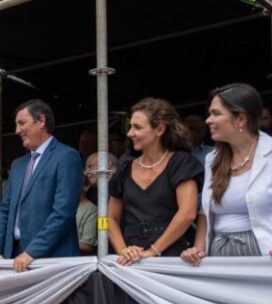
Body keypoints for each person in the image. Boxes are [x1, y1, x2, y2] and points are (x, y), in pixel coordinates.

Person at [0, 99, 83, 273]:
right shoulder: (18, 164)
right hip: (16, 256)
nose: (17, 131)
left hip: (52, 259)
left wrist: (32, 252)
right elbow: (5, 209)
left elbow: (63, 212)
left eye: (22, 123)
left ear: (41, 121)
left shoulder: (67, 156)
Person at [181, 83, 271, 265]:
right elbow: (205, 212)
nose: (208, 120)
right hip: (219, 254)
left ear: (240, 119)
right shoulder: (212, 159)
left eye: (216, 114)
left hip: (263, 256)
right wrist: (198, 248)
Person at [108, 98, 202, 265]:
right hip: (131, 261)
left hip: (173, 259)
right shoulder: (124, 168)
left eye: (137, 127)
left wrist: (153, 251)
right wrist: (124, 251)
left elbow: (187, 213)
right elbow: (110, 218)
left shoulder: (181, 163)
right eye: (131, 126)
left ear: (159, 129)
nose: (130, 133)